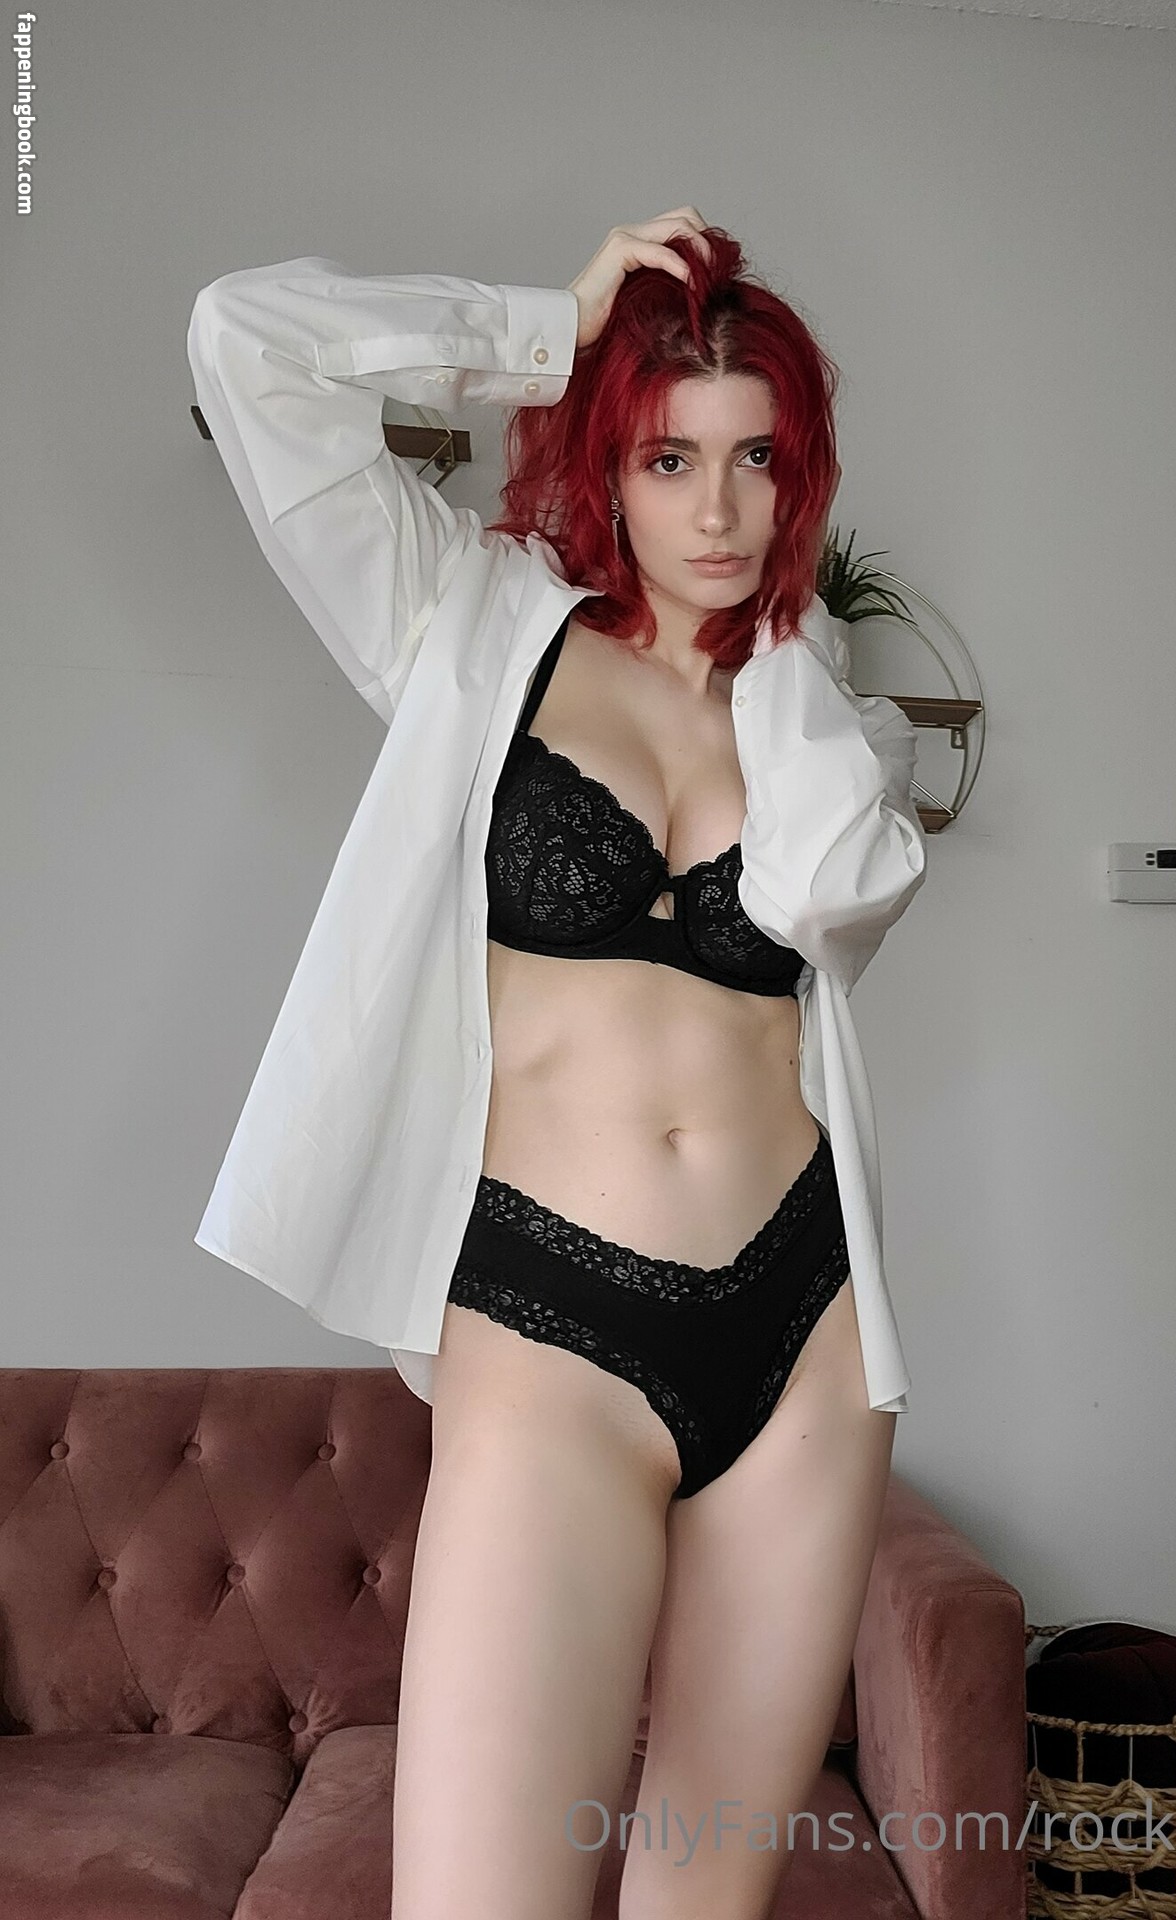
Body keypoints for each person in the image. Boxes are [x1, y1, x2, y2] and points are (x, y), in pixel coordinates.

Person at [187, 207, 927, 1920]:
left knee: (703, 1906)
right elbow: (244, 338)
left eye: (758, 460)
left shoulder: (816, 708)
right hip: (546, 1322)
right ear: (608, 455)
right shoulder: (467, 622)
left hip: (804, 1335)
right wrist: (556, 320)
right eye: (672, 459)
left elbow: (844, 892)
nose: (718, 511)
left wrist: (796, 665)